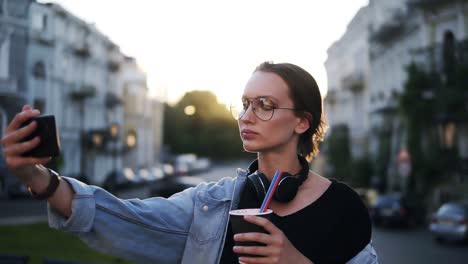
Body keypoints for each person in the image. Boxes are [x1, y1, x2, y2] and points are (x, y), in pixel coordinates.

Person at [1, 62, 378, 264]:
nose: (246, 116)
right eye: (245, 103)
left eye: (265, 105)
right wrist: (38, 177)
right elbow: (119, 218)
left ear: (303, 121)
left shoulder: (343, 208)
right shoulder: (212, 205)